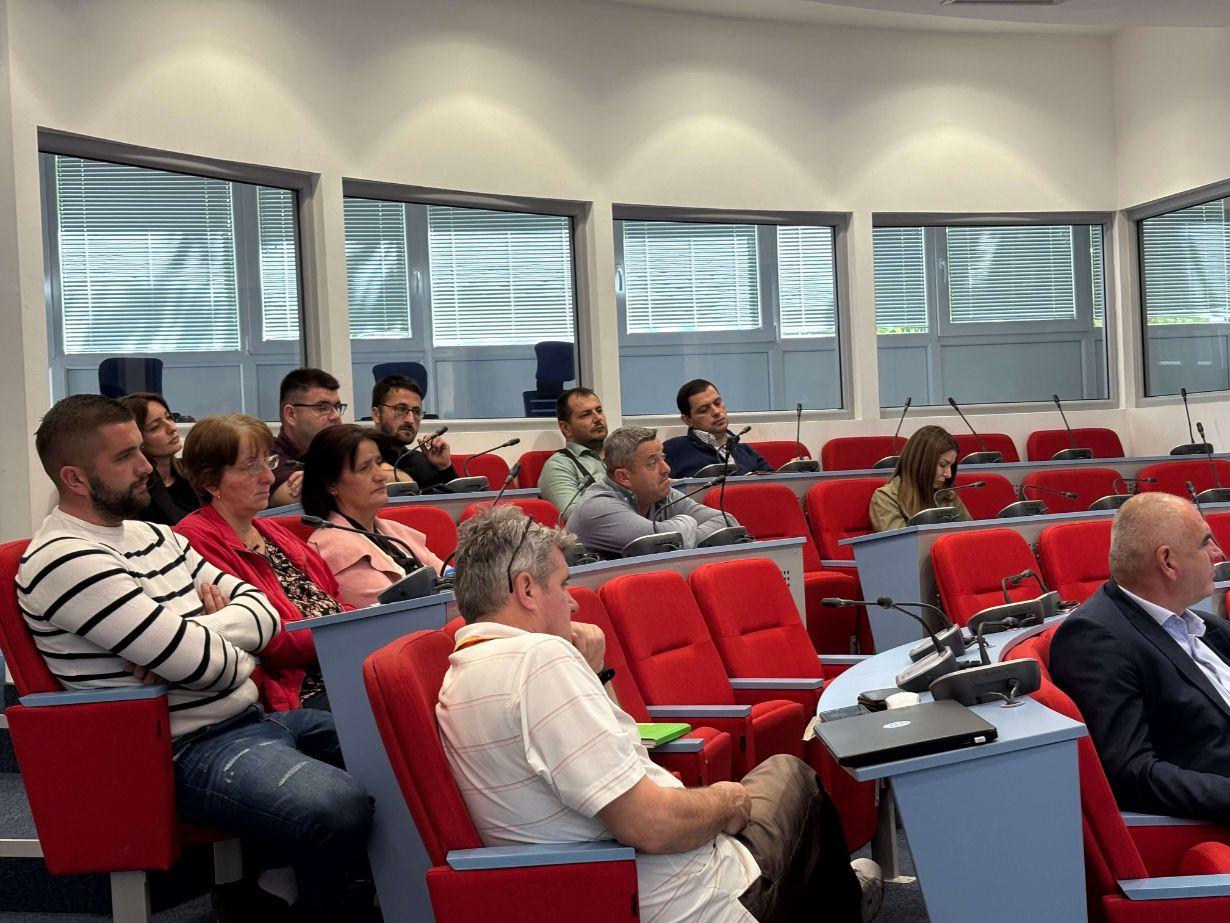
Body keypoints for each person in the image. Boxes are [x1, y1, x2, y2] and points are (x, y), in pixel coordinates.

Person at [17, 395, 372, 919]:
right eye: (124, 457)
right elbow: (206, 666)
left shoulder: (156, 535)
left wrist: (192, 635)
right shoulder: (64, 559)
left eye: (141, 451)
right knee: (337, 806)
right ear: (74, 478)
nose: (147, 468)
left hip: (250, 718)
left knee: (399, 743)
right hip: (180, 749)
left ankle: (305, 894)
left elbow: (265, 612)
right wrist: (227, 650)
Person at [438, 506, 882, 922]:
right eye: (563, 585)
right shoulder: (539, 660)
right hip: (698, 897)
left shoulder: (461, 673)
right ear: (526, 590)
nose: (572, 604)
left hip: (609, 887)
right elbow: (651, 825)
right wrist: (726, 801)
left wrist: (596, 673)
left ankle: (839, 893)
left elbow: (620, 750)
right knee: (792, 776)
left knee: (782, 802)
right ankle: (846, 897)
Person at [1050, 493, 1230, 825]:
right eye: (1206, 542)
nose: (1218, 554)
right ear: (1168, 562)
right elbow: (1132, 772)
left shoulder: (1206, 626)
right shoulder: (1095, 640)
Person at [176, 414, 348, 712]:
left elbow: (334, 598)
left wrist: (355, 627)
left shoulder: (270, 530)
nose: (268, 477)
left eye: (268, 462)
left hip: (338, 662)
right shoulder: (194, 540)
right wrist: (344, 634)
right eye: (251, 466)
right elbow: (263, 637)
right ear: (210, 482)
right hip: (296, 689)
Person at [302, 424, 445, 609]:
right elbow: (401, 615)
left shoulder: (391, 529)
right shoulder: (333, 549)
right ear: (331, 484)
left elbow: (453, 576)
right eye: (364, 468)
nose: (381, 476)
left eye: (378, 463)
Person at [569, 426, 740, 557]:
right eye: (652, 463)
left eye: (663, 458)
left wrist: (682, 537)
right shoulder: (599, 507)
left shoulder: (661, 493)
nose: (666, 469)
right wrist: (687, 522)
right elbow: (658, 542)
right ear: (624, 477)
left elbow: (728, 522)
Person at [118, 391, 201, 526]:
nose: (172, 427)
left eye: (168, 418)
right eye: (156, 427)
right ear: (136, 438)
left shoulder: (193, 471)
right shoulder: (135, 494)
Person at [868, 425, 971, 532]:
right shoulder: (886, 498)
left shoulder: (946, 494)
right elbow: (902, 541)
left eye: (951, 466)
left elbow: (969, 535)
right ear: (920, 463)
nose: (948, 474)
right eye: (943, 464)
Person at [663, 379, 773, 478]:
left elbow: (774, 483)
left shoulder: (745, 451)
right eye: (704, 410)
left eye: (717, 403)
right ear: (688, 420)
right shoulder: (673, 450)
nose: (716, 412)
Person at [269, 368, 346, 508]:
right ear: (291, 415)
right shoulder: (269, 457)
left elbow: (383, 477)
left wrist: (319, 480)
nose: (336, 415)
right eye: (322, 407)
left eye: (337, 406)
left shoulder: (336, 450)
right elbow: (302, 496)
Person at [369, 374, 457, 490]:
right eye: (401, 409)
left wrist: (444, 467)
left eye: (416, 411)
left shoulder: (423, 461)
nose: (410, 420)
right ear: (376, 414)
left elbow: (458, 499)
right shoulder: (361, 460)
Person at [537, 387, 608, 521]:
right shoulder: (559, 465)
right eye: (586, 415)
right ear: (566, 428)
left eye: (599, 411)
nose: (598, 418)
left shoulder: (621, 454)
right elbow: (574, 516)